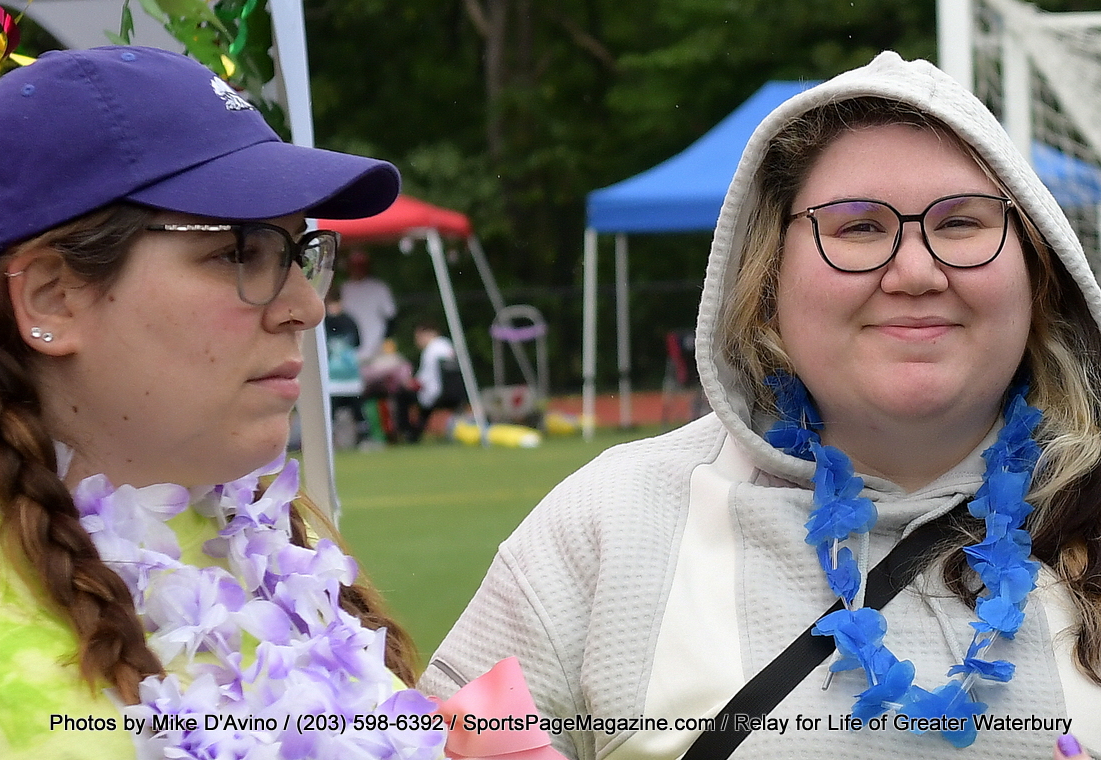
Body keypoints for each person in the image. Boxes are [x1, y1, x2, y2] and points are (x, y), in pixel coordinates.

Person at [420, 52, 1101, 759]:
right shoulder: (610, 523)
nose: (915, 271)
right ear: (768, 277)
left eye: (961, 223)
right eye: (858, 228)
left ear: (1038, 270)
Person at [0, 46, 444, 759]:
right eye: (240, 252)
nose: (308, 307)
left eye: (299, 253)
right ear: (52, 298)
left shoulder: (267, 533)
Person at [395, 321, 466, 443]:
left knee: (401, 394)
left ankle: (407, 431)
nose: (417, 341)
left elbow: (425, 378)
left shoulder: (430, 350)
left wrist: (410, 383)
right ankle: (416, 430)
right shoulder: (447, 345)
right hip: (457, 392)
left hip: (437, 393)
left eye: (418, 337)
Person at [323, 284, 370, 448]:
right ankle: (328, 442)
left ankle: (364, 439)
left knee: (357, 409)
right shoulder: (324, 322)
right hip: (332, 376)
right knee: (331, 411)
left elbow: (357, 343)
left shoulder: (348, 320)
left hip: (349, 374)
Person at [341, 248, 397, 366]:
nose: (357, 269)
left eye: (361, 265)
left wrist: (385, 340)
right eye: (354, 265)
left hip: (377, 345)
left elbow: (391, 315)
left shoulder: (379, 287)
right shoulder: (344, 289)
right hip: (350, 347)